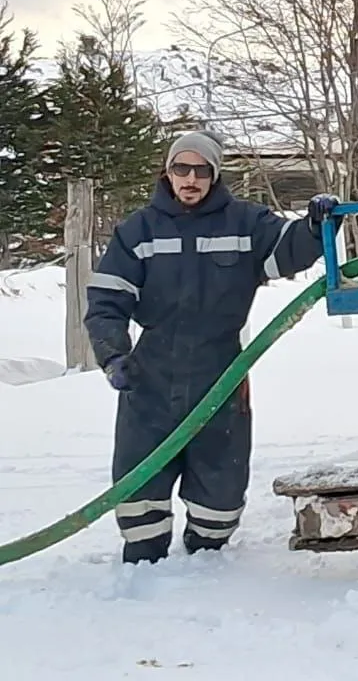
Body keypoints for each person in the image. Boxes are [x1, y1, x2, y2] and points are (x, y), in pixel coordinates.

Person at [84, 130, 341, 564]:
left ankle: (208, 558)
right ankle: (143, 564)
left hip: (220, 372)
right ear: (167, 172)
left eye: (201, 171)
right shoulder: (138, 231)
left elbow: (287, 249)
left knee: (220, 488)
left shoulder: (245, 224)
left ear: (214, 175)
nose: (191, 179)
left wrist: (316, 227)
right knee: (139, 480)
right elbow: (107, 300)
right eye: (181, 168)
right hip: (151, 374)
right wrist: (113, 355)